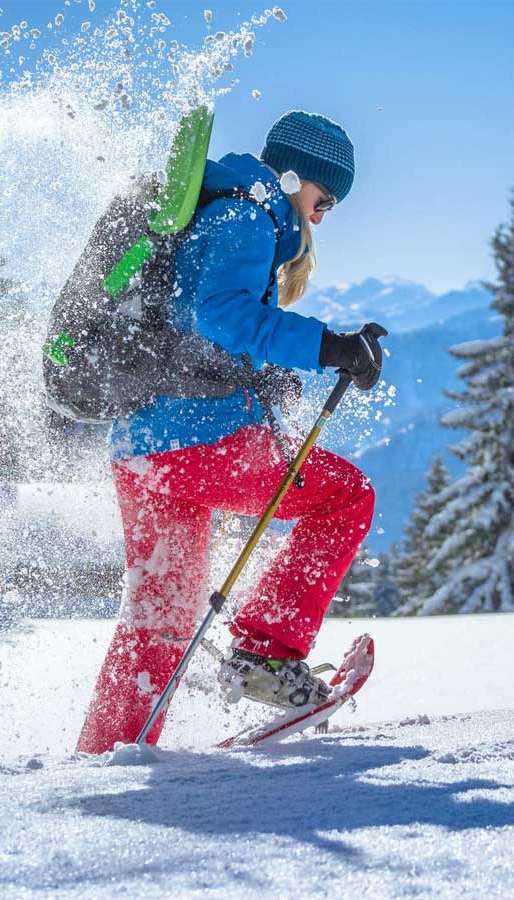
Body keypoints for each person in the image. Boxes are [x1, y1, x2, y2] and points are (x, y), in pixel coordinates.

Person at [76, 111, 385, 754]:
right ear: (297, 175)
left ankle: (109, 754)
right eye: (324, 199)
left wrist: (266, 376)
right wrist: (329, 347)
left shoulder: (215, 208)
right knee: (346, 497)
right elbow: (221, 313)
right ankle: (267, 655)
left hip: (144, 449)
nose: (321, 216)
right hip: (202, 442)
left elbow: (193, 325)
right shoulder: (248, 210)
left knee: (160, 621)